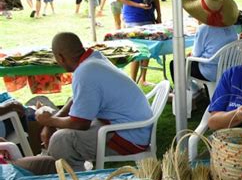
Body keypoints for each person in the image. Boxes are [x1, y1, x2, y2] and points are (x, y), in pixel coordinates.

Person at [35, 32, 154, 171]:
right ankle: (76, 171)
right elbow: (76, 99)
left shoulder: (85, 72)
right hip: (134, 127)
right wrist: (54, 119)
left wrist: (48, 122)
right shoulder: (94, 58)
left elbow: (80, 124)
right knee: (63, 127)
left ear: (60, 57)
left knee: (60, 141)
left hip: (130, 136)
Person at [170, 0, 239, 85]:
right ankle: (198, 91)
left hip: (210, 72)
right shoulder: (231, 27)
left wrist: (189, 55)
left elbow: (195, 55)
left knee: (175, 64)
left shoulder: (204, 29)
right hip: (229, 68)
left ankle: (192, 91)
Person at [118, 0, 162, 85]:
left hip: (149, 17)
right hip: (133, 19)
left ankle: (143, 79)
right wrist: (138, 5)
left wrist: (159, 15)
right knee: (136, 51)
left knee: (148, 48)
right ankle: (133, 81)